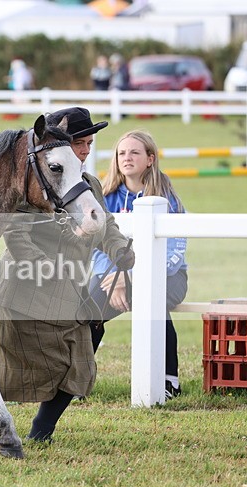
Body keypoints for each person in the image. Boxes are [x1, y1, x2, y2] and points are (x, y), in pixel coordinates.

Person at [0, 107, 133, 443]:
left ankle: (41, 431)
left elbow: (105, 223)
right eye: (80, 143)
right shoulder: (33, 183)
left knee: (80, 365)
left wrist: (118, 248)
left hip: (71, 292)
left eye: (90, 143)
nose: (87, 150)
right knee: (25, 371)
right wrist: (44, 266)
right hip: (27, 288)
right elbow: (16, 235)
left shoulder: (88, 184)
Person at [89, 130, 188, 400]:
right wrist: (113, 277)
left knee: (151, 299)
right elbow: (94, 247)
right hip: (112, 276)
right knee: (86, 309)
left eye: (134, 152)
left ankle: (168, 382)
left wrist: (129, 278)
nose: (126, 157)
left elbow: (174, 253)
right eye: (121, 153)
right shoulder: (105, 196)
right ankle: (77, 379)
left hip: (169, 277)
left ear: (150, 159)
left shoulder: (167, 198)